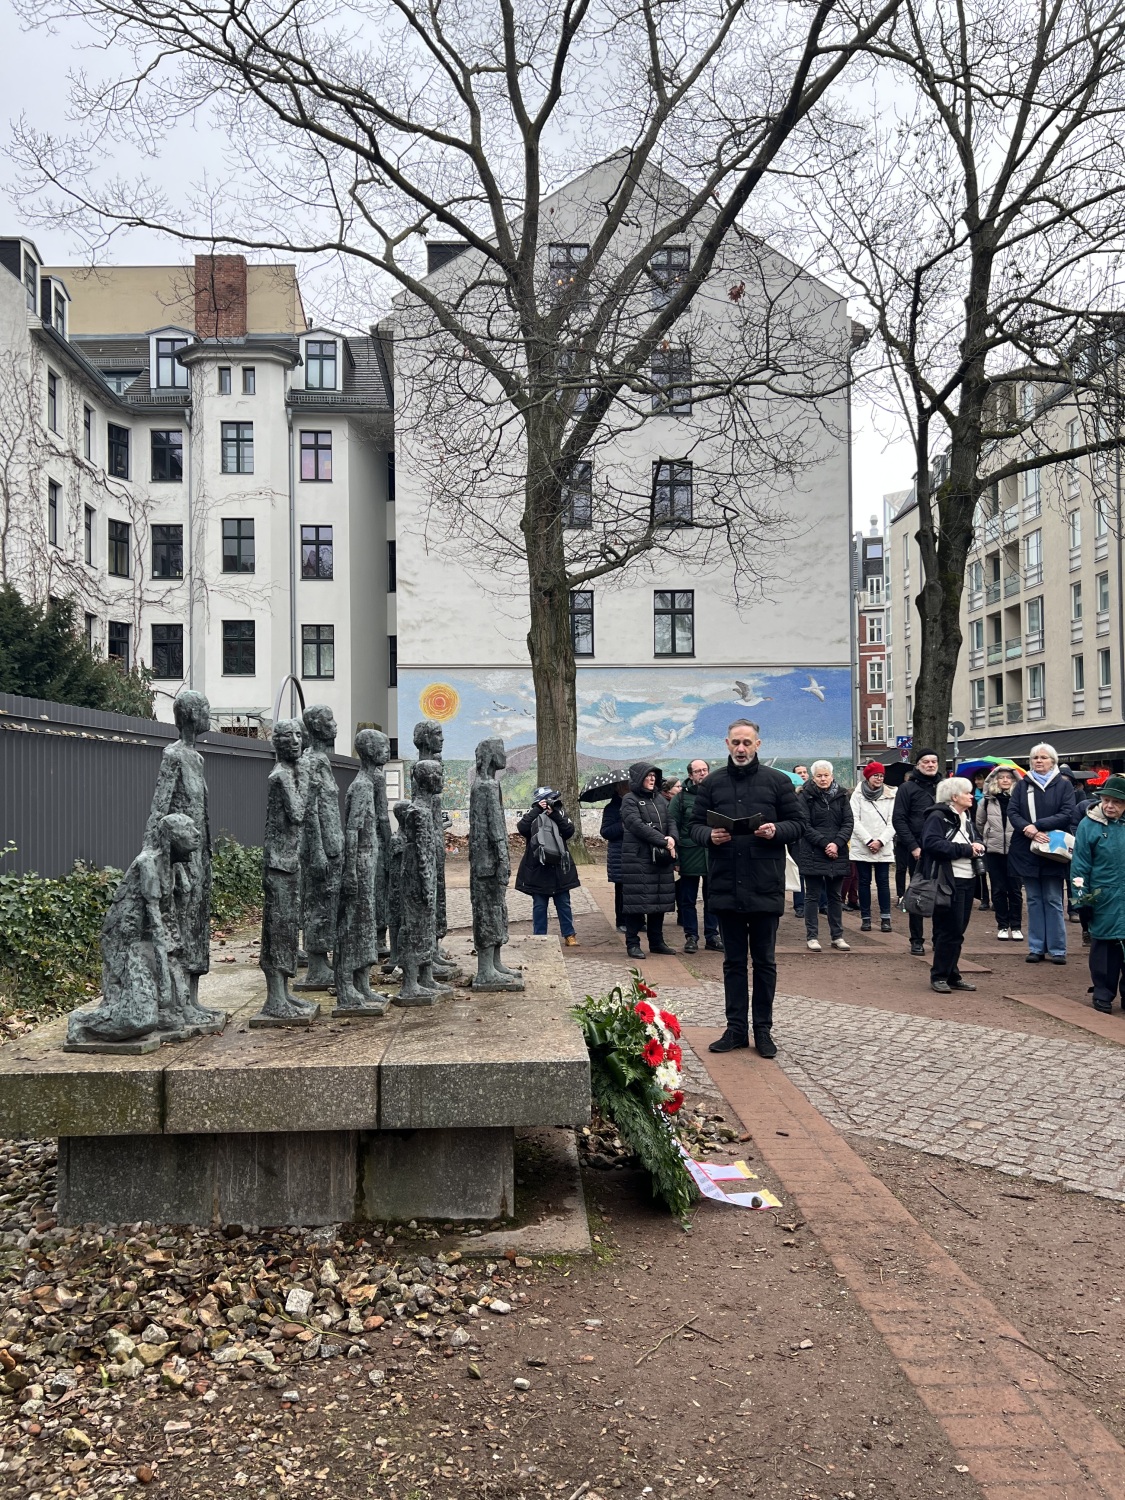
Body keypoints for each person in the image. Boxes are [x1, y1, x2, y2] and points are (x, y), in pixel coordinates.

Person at [689, 720, 804, 1058]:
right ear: (727, 744)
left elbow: (798, 824)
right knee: (733, 962)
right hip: (725, 882)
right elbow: (693, 826)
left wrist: (776, 830)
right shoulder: (711, 784)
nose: (741, 748)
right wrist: (708, 836)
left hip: (765, 883)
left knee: (765, 962)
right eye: (736, 742)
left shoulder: (778, 782)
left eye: (747, 743)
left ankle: (763, 1030)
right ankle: (736, 1029)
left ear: (758, 744)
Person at [1007, 742, 1077, 964]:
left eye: (1043, 757)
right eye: (1035, 757)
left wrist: (1038, 825)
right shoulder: (1022, 785)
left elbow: (1067, 813)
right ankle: (1036, 947)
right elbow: (1013, 811)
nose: (1038, 761)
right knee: (1035, 899)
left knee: (1054, 899)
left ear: (1053, 762)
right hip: (1028, 848)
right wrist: (1027, 829)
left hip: (1053, 849)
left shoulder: (1064, 786)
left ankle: (1057, 949)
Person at [921, 777, 986, 994]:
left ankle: (951, 973)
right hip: (948, 880)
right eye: (967, 792)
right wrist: (966, 850)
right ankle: (939, 975)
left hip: (968, 879)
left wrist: (978, 846)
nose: (971, 795)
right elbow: (931, 844)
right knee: (948, 930)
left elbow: (973, 839)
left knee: (957, 930)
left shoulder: (965, 816)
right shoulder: (938, 816)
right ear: (954, 796)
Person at [1071, 773, 1125, 1011]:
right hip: (1103, 895)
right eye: (1106, 800)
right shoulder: (1088, 825)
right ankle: (1103, 993)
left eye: (1117, 802)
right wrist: (1081, 898)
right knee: (1104, 946)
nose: (1110, 806)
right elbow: (1080, 864)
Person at [620, 762, 678, 958]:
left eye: (654, 775)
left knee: (658, 901)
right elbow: (635, 825)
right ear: (638, 778)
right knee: (637, 903)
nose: (652, 778)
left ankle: (657, 942)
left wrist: (672, 838)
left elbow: (671, 821)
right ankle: (632, 943)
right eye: (648, 775)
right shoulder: (629, 800)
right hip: (638, 859)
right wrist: (664, 841)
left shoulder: (660, 800)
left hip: (660, 859)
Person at [796, 760, 854, 952]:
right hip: (813, 851)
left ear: (832, 775)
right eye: (819, 776)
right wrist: (824, 844)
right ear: (814, 777)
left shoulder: (842, 795)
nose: (823, 779)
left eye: (826, 775)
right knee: (812, 896)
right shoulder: (805, 796)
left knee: (835, 896)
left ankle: (837, 936)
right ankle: (812, 936)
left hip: (837, 852)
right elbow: (804, 824)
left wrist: (836, 844)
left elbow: (848, 822)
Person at [893, 749, 944, 956]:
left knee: (944, 895)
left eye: (934, 761)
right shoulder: (907, 788)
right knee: (918, 894)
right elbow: (899, 819)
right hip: (917, 850)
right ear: (918, 765)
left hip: (943, 849)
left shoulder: (945, 787)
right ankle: (917, 939)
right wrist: (913, 846)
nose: (930, 765)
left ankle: (939, 938)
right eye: (926, 762)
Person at [515, 787, 582, 946]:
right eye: (549, 799)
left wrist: (555, 814)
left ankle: (569, 935)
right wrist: (538, 809)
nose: (552, 801)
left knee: (564, 904)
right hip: (539, 868)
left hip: (560, 868)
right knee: (539, 906)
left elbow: (569, 831)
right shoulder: (532, 815)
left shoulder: (560, 813)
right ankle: (540, 937)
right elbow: (522, 828)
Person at [669, 759, 722, 954]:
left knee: (713, 899)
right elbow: (671, 826)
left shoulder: (717, 795)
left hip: (714, 855)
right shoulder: (680, 799)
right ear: (690, 775)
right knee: (687, 899)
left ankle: (712, 936)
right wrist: (675, 859)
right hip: (689, 854)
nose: (702, 773)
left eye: (705, 770)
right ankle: (691, 936)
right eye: (698, 771)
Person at [974, 766, 1023, 940]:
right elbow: (979, 823)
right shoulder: (987, 801)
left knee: (1015, 890)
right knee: (998, 889)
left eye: (1008, 777)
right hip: (994, 850)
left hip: (1015, 850)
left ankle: (1016, 926)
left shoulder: (1019, 800)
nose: (1004, 780)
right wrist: (989, 836)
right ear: (995, 780)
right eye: (1001, 777)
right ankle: (1002, 925)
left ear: (1014, 781)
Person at [849, 761, 896, 931]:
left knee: (883, 882)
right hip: (863, 845)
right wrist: (868, 841)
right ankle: (866, 918)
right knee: (864, 882)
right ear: (868, 776)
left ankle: (885, 918)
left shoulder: (892, 795)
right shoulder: (857, 795)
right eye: (876, 775)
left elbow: (894, 821)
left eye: (881, 775)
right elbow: (853, 820)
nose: (879, 778)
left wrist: (881, 841)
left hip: (883, 845)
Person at [599, 779, 629, 932]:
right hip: (619, 854)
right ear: (619, 788)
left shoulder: (638, 804)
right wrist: (623, 825)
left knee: (637, 887)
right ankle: (621, 921)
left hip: (636, 852)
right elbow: (605, 832)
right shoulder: (612, 808)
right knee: (622, 889)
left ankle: (638, 920)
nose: (629, 788)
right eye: (626, 785)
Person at [971, 770, 991, 910]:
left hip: (992, 836)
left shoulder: (992, 797)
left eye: (980, 779)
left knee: (994, 871)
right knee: (981, 870)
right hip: (977, 835)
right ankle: (984, 898)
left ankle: (996, 898)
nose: (978, 782)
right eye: (976, 779)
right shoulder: (971, 797)